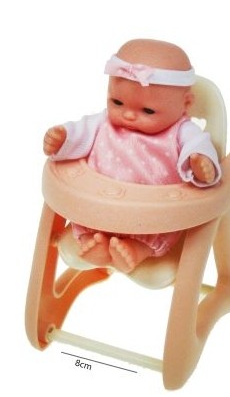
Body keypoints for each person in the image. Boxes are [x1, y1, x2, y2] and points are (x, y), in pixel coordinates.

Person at [43, 39, 221, 273]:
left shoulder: (181, 131)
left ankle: (136, 251)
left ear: (185, 103)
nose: (128, 115)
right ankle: (93, 242)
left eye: (147, 110)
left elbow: (198, 145)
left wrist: (199, 161)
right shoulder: (103, 122)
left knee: (153, 234)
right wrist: (64, 138)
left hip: (150, 218)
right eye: (117, 102)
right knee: (86, 222)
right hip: (98, 209)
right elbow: (81, 131)